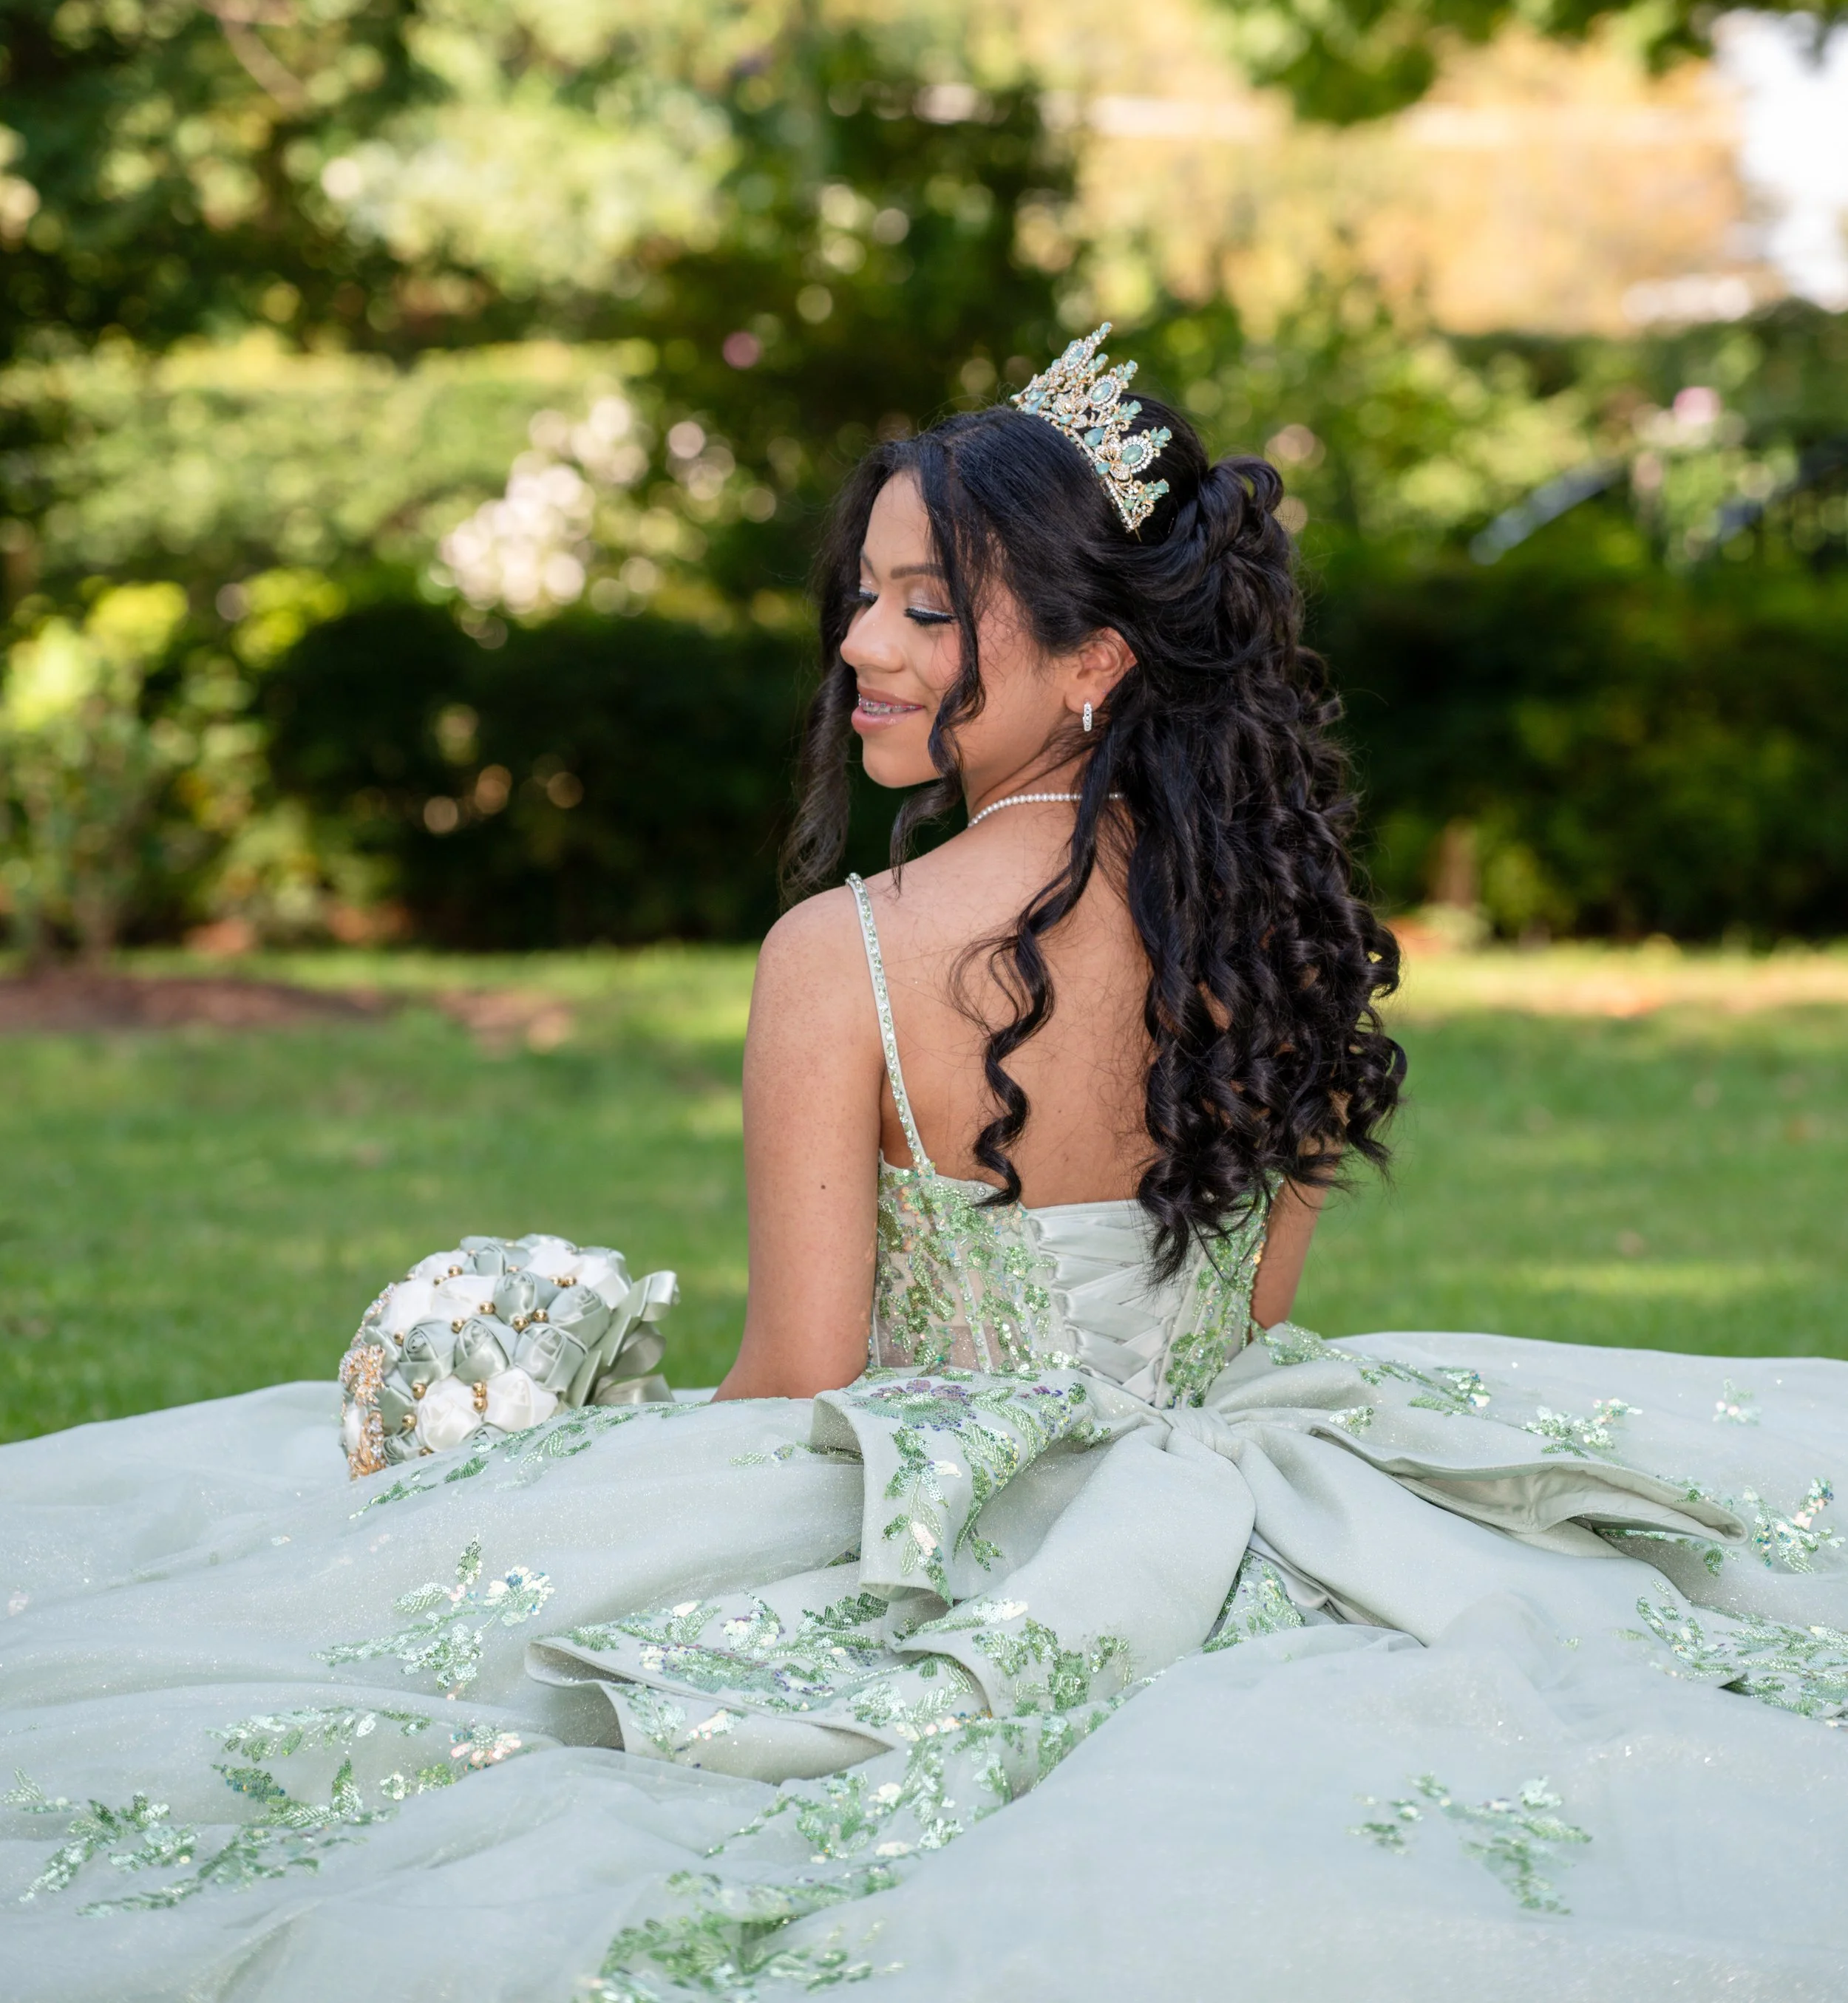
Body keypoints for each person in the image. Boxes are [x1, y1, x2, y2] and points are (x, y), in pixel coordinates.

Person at [3, 330, 1846, 2003]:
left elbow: (804, 1380)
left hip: (928, 1512)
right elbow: (1245, 1319)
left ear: (1094, 655)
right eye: (864, 600)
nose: (862, 647)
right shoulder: (1277, 920)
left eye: (927, 613)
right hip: (1263, 1488)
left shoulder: (850, 954)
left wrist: (577, 1442)